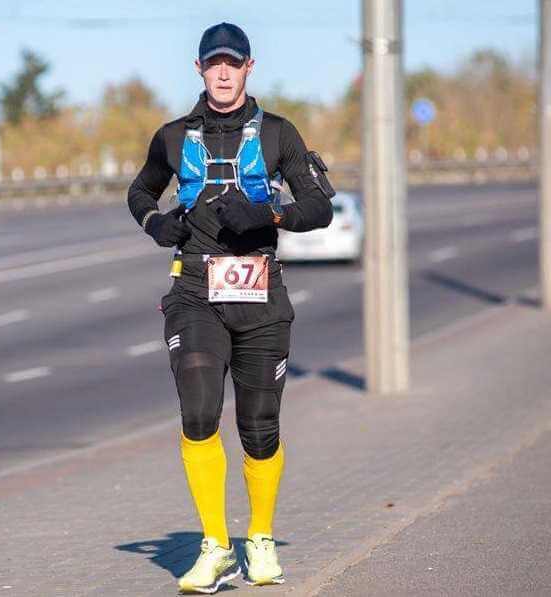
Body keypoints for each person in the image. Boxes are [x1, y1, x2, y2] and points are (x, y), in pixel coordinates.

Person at [127, 22, 335, 594]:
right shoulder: (171, 137)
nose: (222, 72)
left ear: (249, 67)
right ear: (199, 69)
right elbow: (140, 191)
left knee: (258, 426)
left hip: (261, 292)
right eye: (213, 63)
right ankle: (216, 545)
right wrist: (157, 224)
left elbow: (319, 206)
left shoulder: (278, 134)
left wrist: (271, 217)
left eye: (232, 63)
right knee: (198, 413)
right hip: (195, 291)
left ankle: (260, 538)